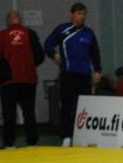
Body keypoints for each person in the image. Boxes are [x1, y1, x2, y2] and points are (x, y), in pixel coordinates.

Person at [44, 2, 101, 147]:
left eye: (84, 14)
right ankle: (66, 136)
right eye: (79, 14)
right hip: (68, 74)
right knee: (67, 106)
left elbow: (95, 53)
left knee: (85, 107)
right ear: (72, 15)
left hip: (84, 76)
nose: (82, 17)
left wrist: (97, 71)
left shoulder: (89, 33)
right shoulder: (62, 30)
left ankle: (85, 136)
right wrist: (54, 54)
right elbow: (48, 44)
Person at [0, 11, 45, 149]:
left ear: (8, 20)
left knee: (9, 113)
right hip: (28, 78)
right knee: (29, 112)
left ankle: (9, 143)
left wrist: (6, 67)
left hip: (8, 80)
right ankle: (32, 142)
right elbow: (40, 56)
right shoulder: (30, 33)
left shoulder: (2, 35)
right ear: (19, 19)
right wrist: (29, 65)